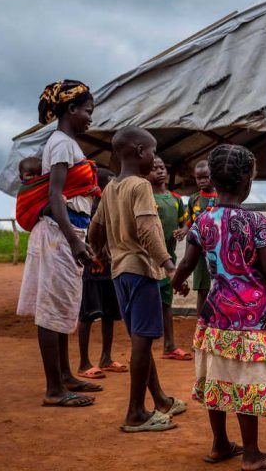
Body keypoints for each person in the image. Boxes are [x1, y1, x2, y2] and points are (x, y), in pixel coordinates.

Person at [172, 144, 266, 471]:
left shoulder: (202, 220)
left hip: (214, 314)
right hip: (250, 317)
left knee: (217, 377)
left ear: (212, 180)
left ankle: (219, 445)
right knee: (247, 383)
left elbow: (187, 262)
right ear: (248, 183)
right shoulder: (257, 221)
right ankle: (252, 454)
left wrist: (176, 283)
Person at [88, 126, 185, 432]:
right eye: (153, 151)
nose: (155, 157)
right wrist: (169, 266)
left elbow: (96, 229)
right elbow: (147, 231)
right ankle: (135, 413)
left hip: (119, 273)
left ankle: (160, 399)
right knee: (143, 343)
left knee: (140, 340)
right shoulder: (139, 186)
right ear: (141, 151)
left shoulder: (111, 188)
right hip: (142, 271)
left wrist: (101, 255)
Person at [17, 79, 103, 407]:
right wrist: (75, 241)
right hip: (59, 234)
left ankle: (65, 376)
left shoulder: (65, 143)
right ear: (70, 110)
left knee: (62, 305)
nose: (90, 118)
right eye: (87, 111)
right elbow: (55, 196)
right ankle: (54, 389)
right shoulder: (63, 144)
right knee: (52, 309)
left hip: (66, 232)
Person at [77, 168, 128, 379]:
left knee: (109, 314)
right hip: (93, 268)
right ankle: (83, 362)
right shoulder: (89, 208)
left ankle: (105, 358)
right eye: (110, 184)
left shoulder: (114, 208)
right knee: (87, 314)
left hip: (111, 268)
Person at [146, 156, 193, 361]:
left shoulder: (175, 199)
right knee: (148, 303)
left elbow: (186, 222)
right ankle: (144, 347)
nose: (160, 171)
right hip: (149, 261)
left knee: (166, 303)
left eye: (162, 167)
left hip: (169, 259)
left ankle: (170, 345)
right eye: (154, 168)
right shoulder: (146, 197)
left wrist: (183, 230)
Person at [179, 161, 217, 318]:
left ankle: (219, 321)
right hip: (199, 250)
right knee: (202, 288)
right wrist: (183, 231)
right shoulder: (193, 199)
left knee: (221, 287)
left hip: (217, 249)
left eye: (205, 177)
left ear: (213, 176)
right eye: (198, 178)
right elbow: (190, 221)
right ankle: (202, 323)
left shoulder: (221, 197)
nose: (202, 181)